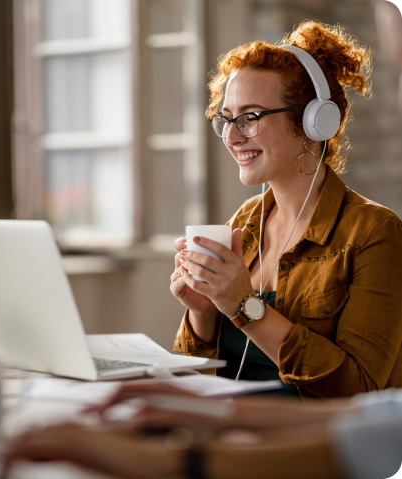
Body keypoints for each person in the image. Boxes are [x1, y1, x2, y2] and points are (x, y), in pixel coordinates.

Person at [170, 20, 402, 399]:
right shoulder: (245, 221)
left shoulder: (374, 233)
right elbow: (190, 386)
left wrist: (244, 306)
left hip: (310, 449)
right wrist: (203, 313)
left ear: (314, 121)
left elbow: (359, 390)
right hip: (232, 433)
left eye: (251, 116)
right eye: (227, 118)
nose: (231, 135)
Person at [0, 381, 402, 479]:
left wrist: (164, 458)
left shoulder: (372, 230)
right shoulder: (245, 221)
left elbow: (365, 443)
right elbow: (361, 415)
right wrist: (196, 407)